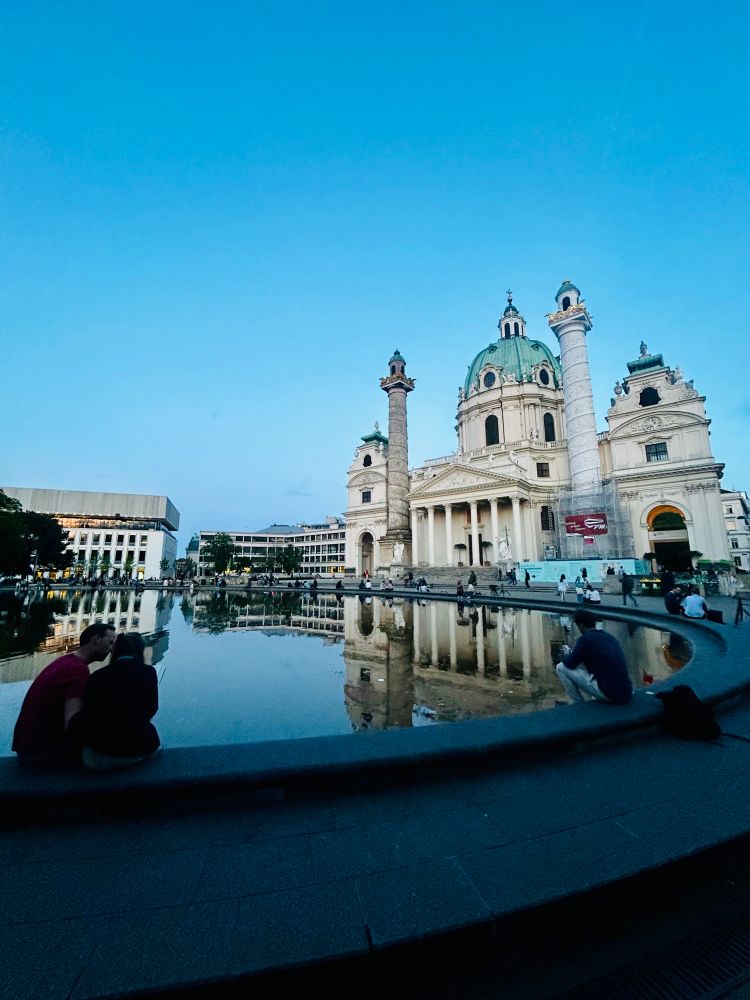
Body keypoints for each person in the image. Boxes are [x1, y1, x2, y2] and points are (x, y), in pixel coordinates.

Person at [12, 622, 117, 767]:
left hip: (26, 748)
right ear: (96, 640)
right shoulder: (78, 671)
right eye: (110, 642)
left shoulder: (66, 661)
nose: (112, 649)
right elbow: (72, 723)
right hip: (40, 754)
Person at [81, 633, 161, 771]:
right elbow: (151, 708)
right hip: (139, 747)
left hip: (100, 751)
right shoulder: (148, 672)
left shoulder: (97, 676)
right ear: (139, 650)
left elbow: (88, 713)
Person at [555, 609, 633, 705]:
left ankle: (577, 703)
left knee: (560, 667)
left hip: (611, 695)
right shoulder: (609, 637)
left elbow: (569, 664)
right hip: (626, 693)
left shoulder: (585, 640)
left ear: (581, 625)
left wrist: (567, 654)